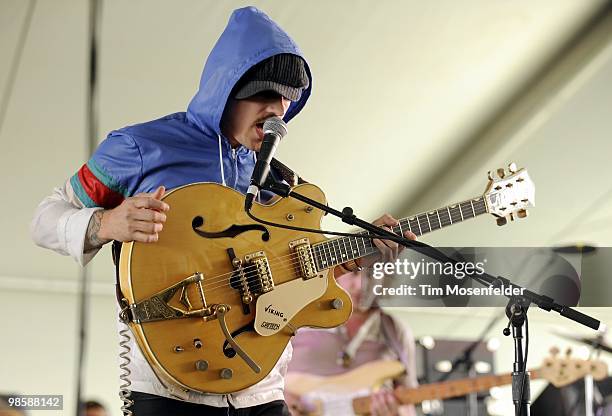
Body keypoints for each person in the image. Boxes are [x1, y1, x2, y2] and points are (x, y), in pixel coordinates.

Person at [30, 6, 413, 416]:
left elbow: (287, 273)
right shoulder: (140, 147)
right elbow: (44, 220)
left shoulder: (282, 181)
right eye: (265, 93)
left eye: (286, 98)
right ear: (226, 89)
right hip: (171, 387)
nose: (278, 109)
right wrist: (105, 222)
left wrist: (355, 254)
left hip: (262, 389)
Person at [287, 267, 419, 416]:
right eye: (354, 271)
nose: (360, 285)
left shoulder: (396, 331)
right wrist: (282, 403)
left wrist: (397, 413)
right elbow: (263, 382)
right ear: (335, 270)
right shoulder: (298, 318)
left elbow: (409, 405)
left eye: (371, 274)